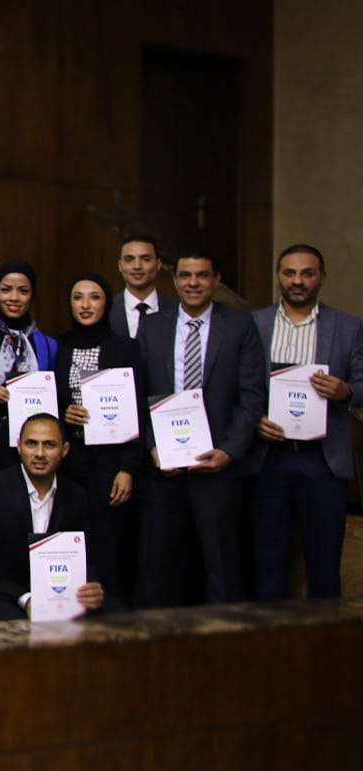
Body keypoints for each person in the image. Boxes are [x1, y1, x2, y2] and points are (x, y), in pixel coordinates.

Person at [136, 251, 266, 606]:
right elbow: (139, 393)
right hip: (164, 469)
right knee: (160, 569)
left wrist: (230, 451)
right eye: (186, 275)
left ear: (216, 279)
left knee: (221, 567)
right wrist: (152, 446)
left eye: (202, 275)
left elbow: (252, 395)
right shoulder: (153, 326)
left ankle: (222, 636)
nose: (193, 283)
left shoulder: (240, 325)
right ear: (174, 280)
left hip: (218, 468)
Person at [252, 245, 363, 600]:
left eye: (307, 273)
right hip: (268, 458)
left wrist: (346, 391)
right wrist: (255, 420)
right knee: (268, 559)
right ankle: (272, 631)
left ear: (322, 278)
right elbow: (240, 387)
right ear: (279, 277)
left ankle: (324, 633)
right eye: (290, 273)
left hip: (323, 460)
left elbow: (362, 382)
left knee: (324, 562)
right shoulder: (255, 324)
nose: (298, 281)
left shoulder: (348, 326)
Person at [54, 273, 147, 607]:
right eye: (78, 297)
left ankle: (113, 616)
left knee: (111, 547)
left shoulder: (125, 347)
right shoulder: (59, 347)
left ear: (106, 303)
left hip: (111, 463)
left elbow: (139, 410)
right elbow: (51, 402)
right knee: (72, 541)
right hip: (69, 462)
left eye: (94, 297)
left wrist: (128, 468)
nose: (85, 305)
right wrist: (63, 412)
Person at [0, 414, 107, 621]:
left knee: (116, 616)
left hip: (61, 594)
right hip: (3, 596)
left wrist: (91, 587)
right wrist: (25, 598)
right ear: (19, 446)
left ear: (65, 450)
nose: (39, 453)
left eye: (49, 445)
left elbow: (87, 557)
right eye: (31, 444)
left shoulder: (77, 496)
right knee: (19, 625)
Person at [0, 260, 58, 474]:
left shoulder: (48, 345)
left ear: (32, 295)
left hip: (32, 446)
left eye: (23, 291)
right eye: (6, 290)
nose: (14, 297)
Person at [110, 235, 165, 338]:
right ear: (120, 266)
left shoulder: (177, 311)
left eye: (146, 259)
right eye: (129, 259)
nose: (137, 266)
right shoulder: (105, 311)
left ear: (158, 264)